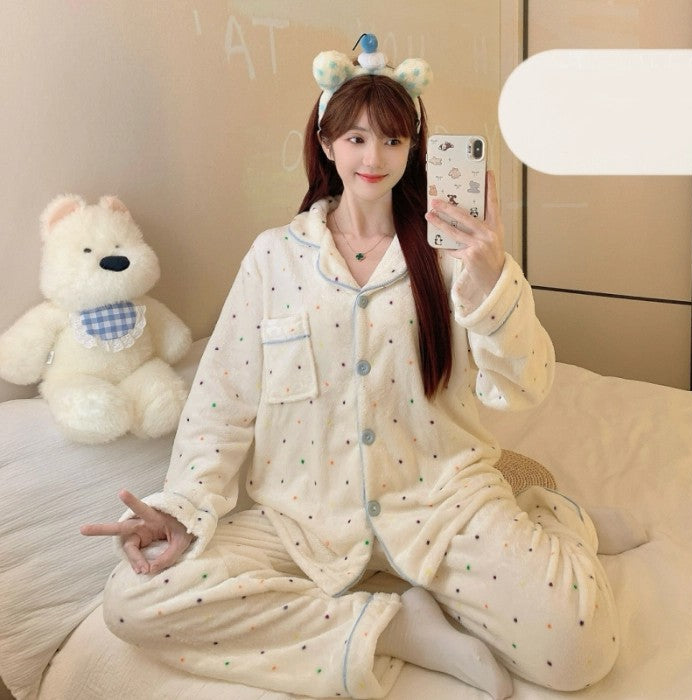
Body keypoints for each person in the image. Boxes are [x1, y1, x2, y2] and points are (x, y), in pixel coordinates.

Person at [82, 36, 619, 700]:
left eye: (393, 140)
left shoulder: (450, 256)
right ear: (326, 142)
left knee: (580, 648)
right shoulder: (274, 258)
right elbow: (222, 401)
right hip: (303, 517)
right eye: (357, 138)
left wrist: (491, 279)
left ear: (413, 150)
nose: (374, 157)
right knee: (131, 602)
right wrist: (184, 507)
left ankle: (559, 518)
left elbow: (523, 385)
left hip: (441, 503)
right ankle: (392, 630)